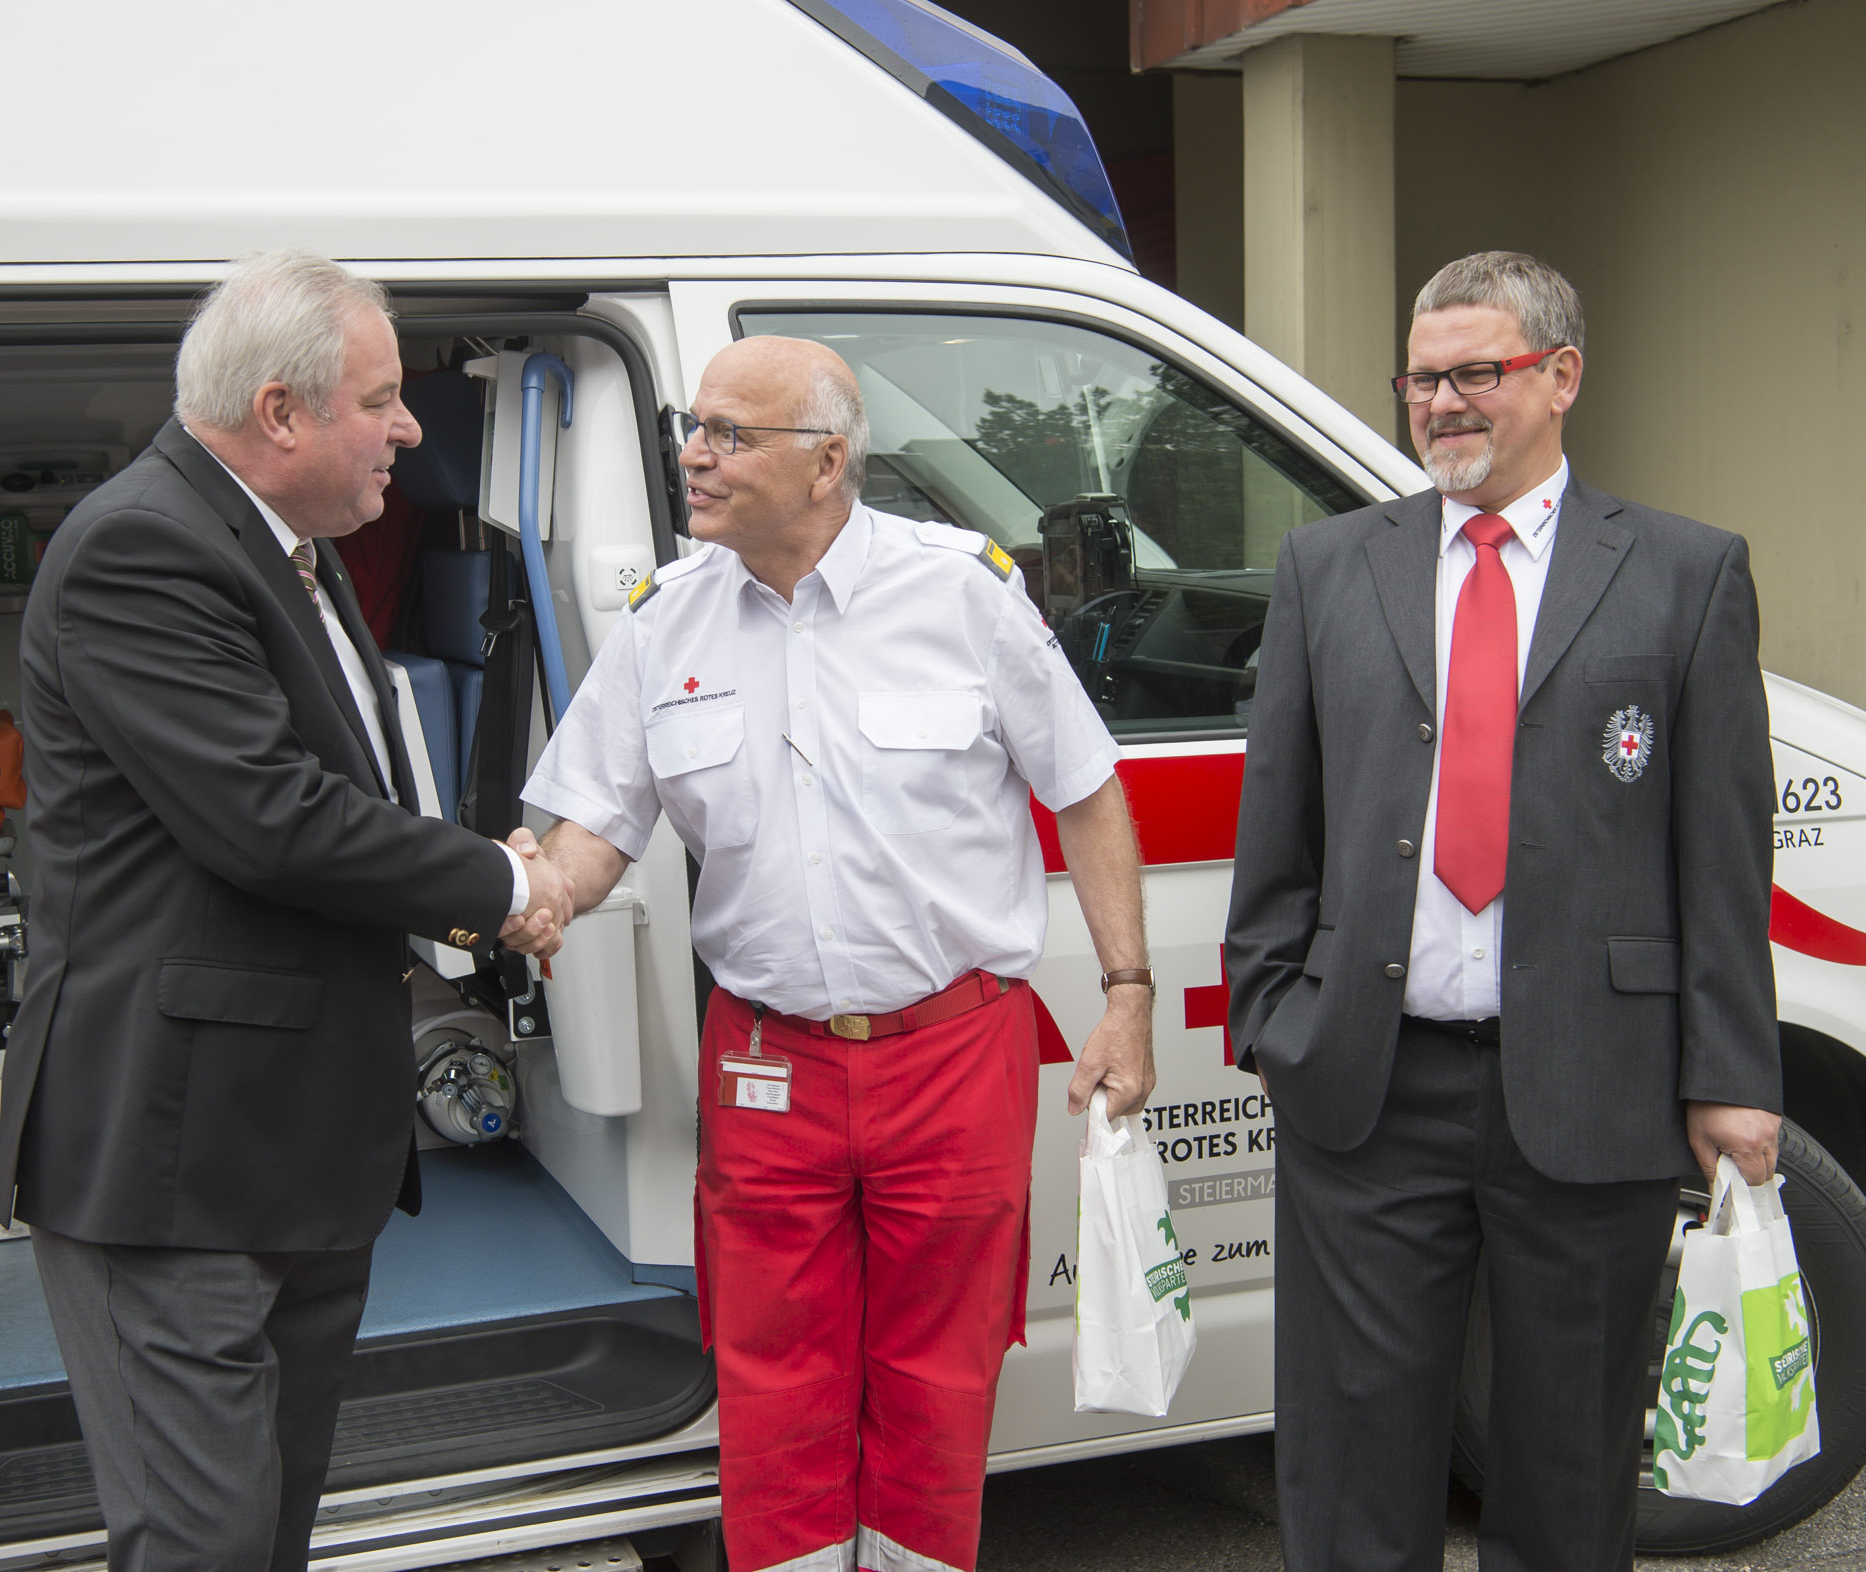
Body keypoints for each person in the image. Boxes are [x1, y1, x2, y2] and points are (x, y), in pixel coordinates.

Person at [518, 335, 1154, 1572]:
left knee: (937, 1372)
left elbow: (1084, 790)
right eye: (693, 429)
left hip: (951, 1049)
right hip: (767, 1060)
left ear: (826, 462)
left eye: (729, 435)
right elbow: (593, 825)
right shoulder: (665, 618)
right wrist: (535, 890)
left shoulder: (960, 592)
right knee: (772, 1373)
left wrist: (1126, 992)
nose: (694, 457)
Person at [0, 250, 569, 1572]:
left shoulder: (285, 548)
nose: (409, 429)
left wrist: (471, 868)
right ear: (280, 413)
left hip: (286, 1151)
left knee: (267, 1530)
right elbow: (269, 818)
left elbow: (340, 790)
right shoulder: (145, 546)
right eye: (381, 401)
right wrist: (502, 888)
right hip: (175, 1160)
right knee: (204, 1540)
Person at [1223, 251, 1781, 1572]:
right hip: (1369, 1086)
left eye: (1474, 372)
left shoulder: (1683, 573)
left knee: (1566, 1468)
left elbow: (1720, 852)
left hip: (1595, 1084)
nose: (1440, 403)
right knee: (1352, 1463)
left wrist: (1729, 1076)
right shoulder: (1327, 567)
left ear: (1560, 375)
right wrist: (1273, 1017)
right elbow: (1279, 819)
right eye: (1421, 379)